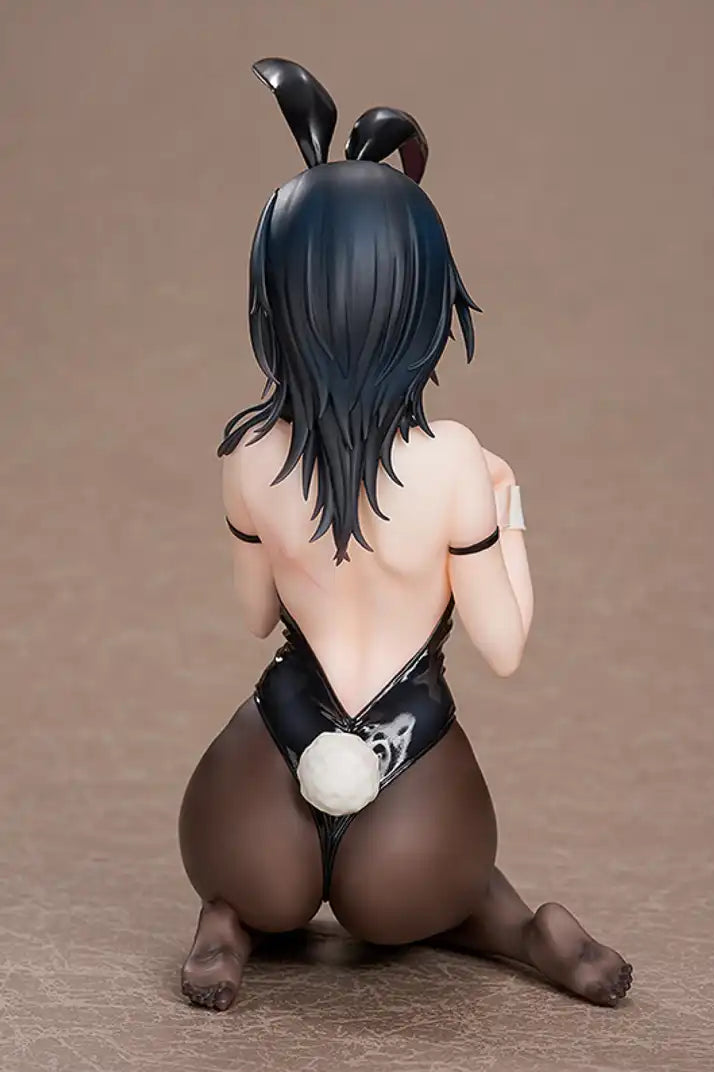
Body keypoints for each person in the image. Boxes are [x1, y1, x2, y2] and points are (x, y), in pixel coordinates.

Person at [178, 58, 633, 1012]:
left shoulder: (248, 454)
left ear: (278, 296)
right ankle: (519, 926)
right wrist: (505, 507)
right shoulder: (454, 461)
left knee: (245, 879)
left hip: (268, 764)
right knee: (436, 895)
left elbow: (256, 615)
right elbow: (503, 647)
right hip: (414, 774)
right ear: (421, 296)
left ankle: (226, 923)